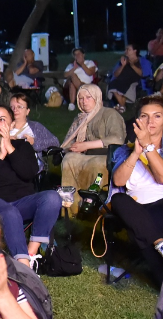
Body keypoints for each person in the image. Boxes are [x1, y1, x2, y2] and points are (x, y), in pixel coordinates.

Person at [0, 103, 60, 269]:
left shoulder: (23, 147)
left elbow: (29, 173)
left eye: (2, 120)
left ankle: (31, 252)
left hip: (22, 202)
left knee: (52, 197)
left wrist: (9, 147)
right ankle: (23, 266)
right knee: (9, 211)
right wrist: (0, 155)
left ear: (11, 124)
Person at [109, 95, 163, 285]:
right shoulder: (125, 150)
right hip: (136, 207)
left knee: (140, 233)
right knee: (119, 201)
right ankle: (160, 243)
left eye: (157, 116)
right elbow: (118, 180)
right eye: (145, 116)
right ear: (138, 120)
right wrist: (135, 153)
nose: (150, 121)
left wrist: (149, 147)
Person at [60, 84, 125, 214]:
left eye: (88, 97)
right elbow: (68, 142)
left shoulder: (109, 114)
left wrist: (86, 145)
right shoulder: (80, 119)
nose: (84, 102)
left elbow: (117, 139)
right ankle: (70, 206)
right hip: (86, 154)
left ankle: (93, 202)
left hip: (107, 154)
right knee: (69, 159)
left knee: (96, 163)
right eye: (81, 98)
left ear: (97, 97)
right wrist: (72, 148)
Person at [4, 93, 61, 166]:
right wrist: (4, 139)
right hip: (7, 167)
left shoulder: (35, 127)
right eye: (12, 107)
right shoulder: (3, 126)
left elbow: (55, 141)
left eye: (19, 107)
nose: (15, 110)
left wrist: (34, 142)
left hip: (30, 168)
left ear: (27, 111)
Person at [107, 43, 151, 112]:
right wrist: (123, 65)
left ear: (135, 51)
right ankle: (122, 106)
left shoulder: (143, 61)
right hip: (121, 79)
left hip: (134, 80)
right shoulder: (122, 61)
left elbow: (143, 74)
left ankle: (121, 106)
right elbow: (115, 74)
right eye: (125, 49)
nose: (126, 51)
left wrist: (132, 65)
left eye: (128, 49)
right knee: (114, 83)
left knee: (122, 84)